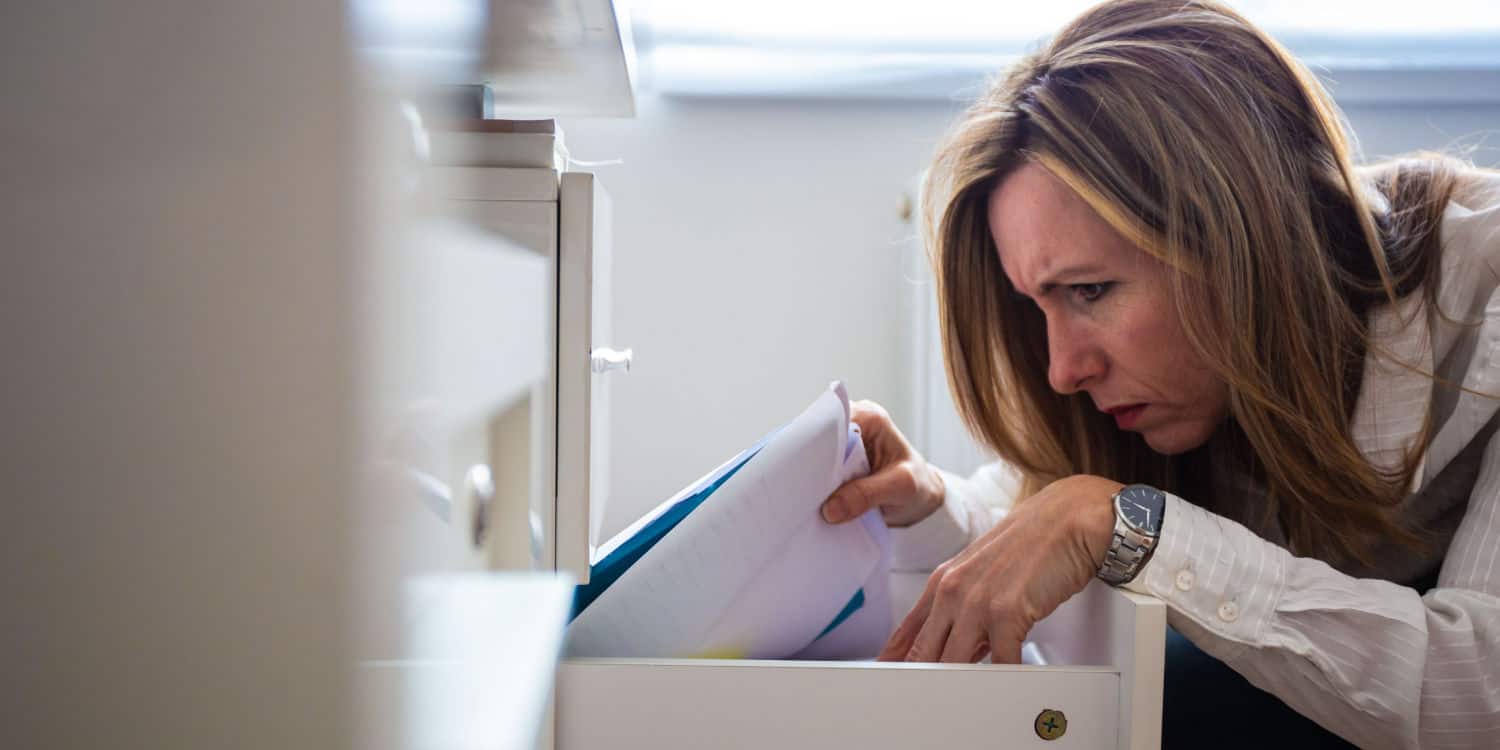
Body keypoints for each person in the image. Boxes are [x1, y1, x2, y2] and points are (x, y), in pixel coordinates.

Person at [819, 1, 1500, 747]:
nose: (1061, 371)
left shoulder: (1487, 287)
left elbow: (1479, 692)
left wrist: (1137, 532)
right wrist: (923, 503)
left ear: (1242, 233)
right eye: (1040, 305)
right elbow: (1040, 513)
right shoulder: (1187, 387)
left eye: (1090, 292)